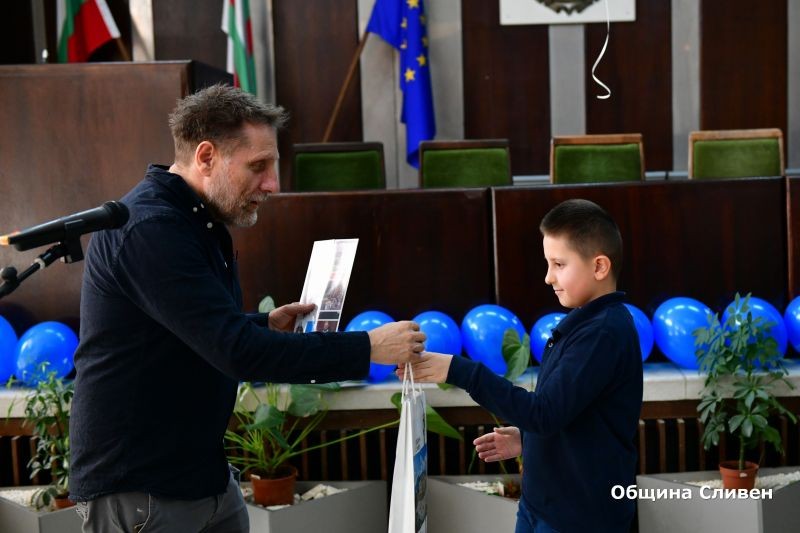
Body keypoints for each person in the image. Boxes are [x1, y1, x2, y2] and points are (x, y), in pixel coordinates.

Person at [69, 84, 426, 533]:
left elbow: (191, 329)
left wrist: (262, 325)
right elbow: (236, 352)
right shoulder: (151, 228)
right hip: (142, 490)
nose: (273, 184)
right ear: (206, 157)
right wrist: (367, 347)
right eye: (259, 166)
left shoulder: (194, 218)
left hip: (201, 477)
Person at [402, 199, 643, 532]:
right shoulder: (587, 323)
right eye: (548, 263)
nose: (548, 277)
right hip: (542, 504)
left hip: (578, 516)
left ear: (599, 266)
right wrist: (530, 440)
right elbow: (569, 413)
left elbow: (543, 413)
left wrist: (458, 370)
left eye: (559, 264)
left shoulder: (602, 333)